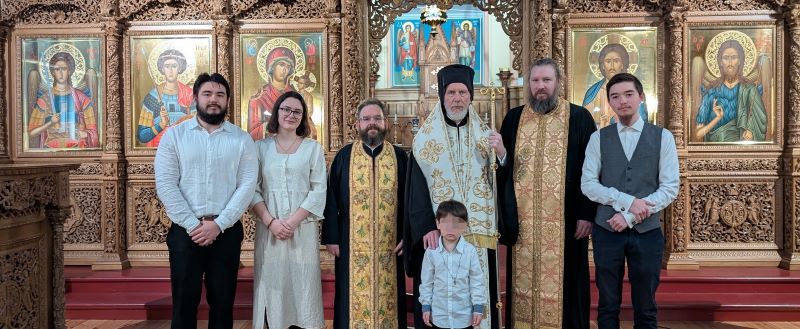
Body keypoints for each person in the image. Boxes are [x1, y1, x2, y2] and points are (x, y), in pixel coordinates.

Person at [496, 58, 598, 329]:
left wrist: (587, 213)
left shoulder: (578, 118)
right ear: (528, 84)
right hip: (524, 225)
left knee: (570, 286)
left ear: (558, 83)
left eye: (546, 80)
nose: (541, 87)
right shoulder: (514, 118)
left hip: (567, 223)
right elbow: (503, 168)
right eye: (535, 81)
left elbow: (591, 170)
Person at [404, 64, 504, 329]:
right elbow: (416, 190)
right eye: (451, 93)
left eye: (462, 92)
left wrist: (502, 153)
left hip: (478, 235)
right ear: (442, 96)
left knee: (477, 289)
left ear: (470, 96)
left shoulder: (487, 137)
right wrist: (426, 226)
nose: (457, 98)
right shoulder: (424, 140)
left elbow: (501, 181)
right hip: (441, 232)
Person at [154, 73, 257, 329]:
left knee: (222, 304)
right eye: (208, 94)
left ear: (227, 101)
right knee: (184, 303)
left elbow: (247, 185)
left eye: (220, 95)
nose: (214, 100)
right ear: (195, 98)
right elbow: (166, 185)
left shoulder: (242, 139)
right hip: (185, 232)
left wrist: (219, 224)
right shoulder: (174, 137)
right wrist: (193, 225)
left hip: (226, 232)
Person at [581, 73, 679, 329]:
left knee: (646, 305)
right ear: (609, 102)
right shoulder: (598, 138)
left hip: (647, 233)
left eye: (628, 94)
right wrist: (625, 201)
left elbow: (669, 188)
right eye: (615, 96)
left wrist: (630, 215)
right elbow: (588, 184)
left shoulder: (663, 137)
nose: (622, 101)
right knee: (607, 303)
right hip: (607, 231)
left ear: (641, 97)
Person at [322, 98, 408, 329]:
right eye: (367, 119)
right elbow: (330, 198)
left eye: (377, 118)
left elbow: (409, 202)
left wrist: (406, 236)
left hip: (390, 244)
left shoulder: (400, 157)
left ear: (385, 122)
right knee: (350, 296)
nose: (372, 123)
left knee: (389, 295)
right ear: (358, 124)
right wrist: (331, 237)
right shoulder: (344, 156)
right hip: (351, 243)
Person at [250, 91, 326, 329]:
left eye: (297, 111)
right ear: (276, 112)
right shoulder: (260, 148)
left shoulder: (313, 149)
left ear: (303, 117)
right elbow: (252, 189)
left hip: (302, 230)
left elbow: (319, 190)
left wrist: (292, 222)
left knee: (303, 285)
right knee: (271, 284)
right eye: (286, 109)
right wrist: (271, 222)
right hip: (269, 230)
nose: (290, 115)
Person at [419, 200, 486, 329]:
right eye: (446, 223)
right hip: (440, 316)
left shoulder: (470, 251)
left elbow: (477, 281)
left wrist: (478, 308)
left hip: (464, 317)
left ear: (465, 225)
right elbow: (426, 282)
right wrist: (426, 306)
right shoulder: (431, 252)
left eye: (456, 224)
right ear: (438, 223)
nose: (451, 229)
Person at [695, 39, 767, 142]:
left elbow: (761, 122)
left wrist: (751, 131)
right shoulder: (711, 91)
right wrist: (717, 118)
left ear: (740, 61)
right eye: (725, 58)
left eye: (734, 58)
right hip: (714, 152)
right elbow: (698, 134)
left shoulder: (750, 90)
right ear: (720, 61)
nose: (729, 63)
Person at [28, 51, 99, 149]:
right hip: (51, 148)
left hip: (77, 146)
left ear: (69, 71)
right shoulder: (44, 100)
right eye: (57, 69)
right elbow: (32, 133)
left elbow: (93, 131)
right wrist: (50, 123)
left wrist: (85, 133)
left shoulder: (81, 98)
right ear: (53, 72)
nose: (61, 73)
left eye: (64, 69)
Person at [137, 49, 195, 147]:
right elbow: (142, 136)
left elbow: (200, 126)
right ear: (162, 69)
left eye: (174, 66)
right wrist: (161, 124)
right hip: (159, 148)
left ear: (180, 68)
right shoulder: (153, 97)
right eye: (167, 66)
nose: (171, 70)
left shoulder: (190, 94)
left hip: (184, 147)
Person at [581, 43, 648, 128]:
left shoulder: (635, 91)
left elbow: (642, 123)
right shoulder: (592, 93)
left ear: (622, 65)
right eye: (608, 61)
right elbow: (584, 125)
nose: (612, 66)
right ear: (603, 66)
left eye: (616, 61)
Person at [248, 47, 296, 141]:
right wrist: (273, 125)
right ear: (272, 66)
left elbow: (310, 128)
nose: (285, 69)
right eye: (281, 65)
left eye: (288, 66)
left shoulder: (296, 96)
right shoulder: (259, 97)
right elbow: (253, 132)